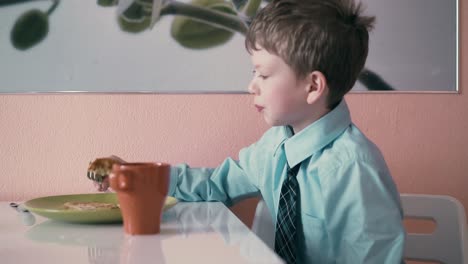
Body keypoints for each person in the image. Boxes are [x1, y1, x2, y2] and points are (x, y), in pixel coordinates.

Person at [89, 0, 405, 263]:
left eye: (263, 74)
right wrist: (134, 173)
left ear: (312, 86)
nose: (250, 86)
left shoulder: (355, 169)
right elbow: (216, 185)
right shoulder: (274, 147)